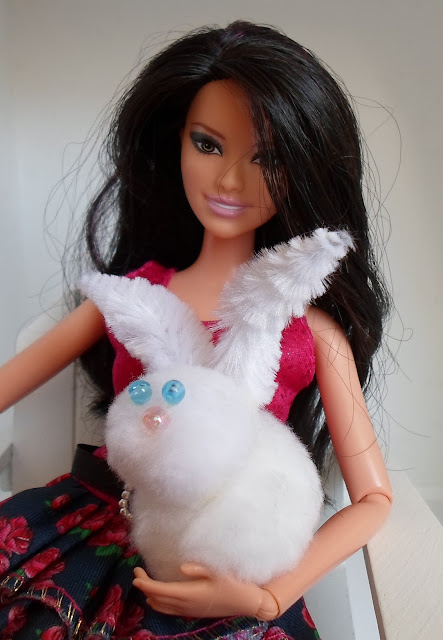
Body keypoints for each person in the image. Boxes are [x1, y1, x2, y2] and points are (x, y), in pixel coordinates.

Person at [0, 21, 393, 639]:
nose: (230, 181)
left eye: (267, 158)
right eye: (208, 144)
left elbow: (373, 500)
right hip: (101, 528)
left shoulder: (310, 331)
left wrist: (267, 597)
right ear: (174, 142)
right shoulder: (135, 297)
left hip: (229, 558)